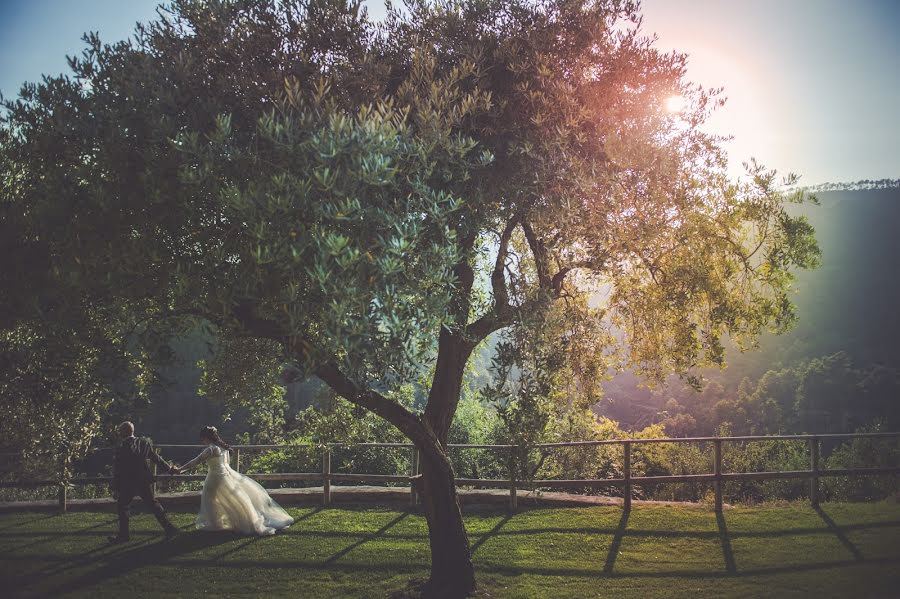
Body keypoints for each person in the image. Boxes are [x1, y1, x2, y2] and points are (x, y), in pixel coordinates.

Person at [174, 426, 293, 535]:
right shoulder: (224, 448)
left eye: (202, 438)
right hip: (224, 475)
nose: (202, 441)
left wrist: (180, 469)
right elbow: (225, 464)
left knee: (210, 499)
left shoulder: (211, 449)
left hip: (214, 477)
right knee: (229, 500)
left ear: (206, 437)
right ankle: (226, 522)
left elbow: (195, 461)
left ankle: (217, 523)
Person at [109, 421, 179, 544]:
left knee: (123, 507)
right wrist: (169, 469)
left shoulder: (120, 448)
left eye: (120, 430)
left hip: (127, 482)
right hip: (143, 480)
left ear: (123, 432)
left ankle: (124, 536)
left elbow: (118, 470)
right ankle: (169, 528)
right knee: (153, 504)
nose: (119, 432)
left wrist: (114, 487)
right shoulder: (144, 443)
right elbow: (156, 458)